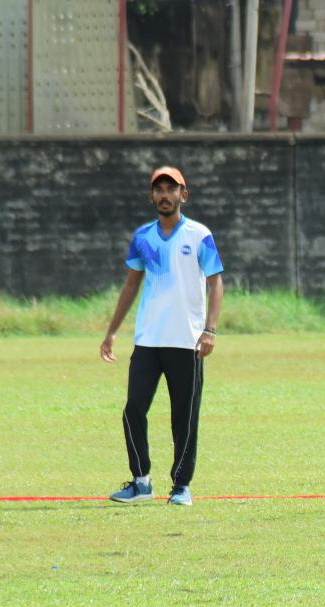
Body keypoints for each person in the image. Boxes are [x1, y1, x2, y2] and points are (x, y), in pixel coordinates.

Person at [100, 166, 224, 507]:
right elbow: (131, 285)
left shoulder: (199, 235)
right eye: (159, 189)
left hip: (187, 341)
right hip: (148, 340)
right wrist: (112, 331)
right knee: (133, 410)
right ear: (151, 196)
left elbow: (215, 282)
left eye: (172, 189)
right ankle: (141, 482)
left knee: (184, 416)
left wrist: (210, 330)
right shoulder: (143, 237)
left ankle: (181, 486)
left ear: (184, 195)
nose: (165, 195)